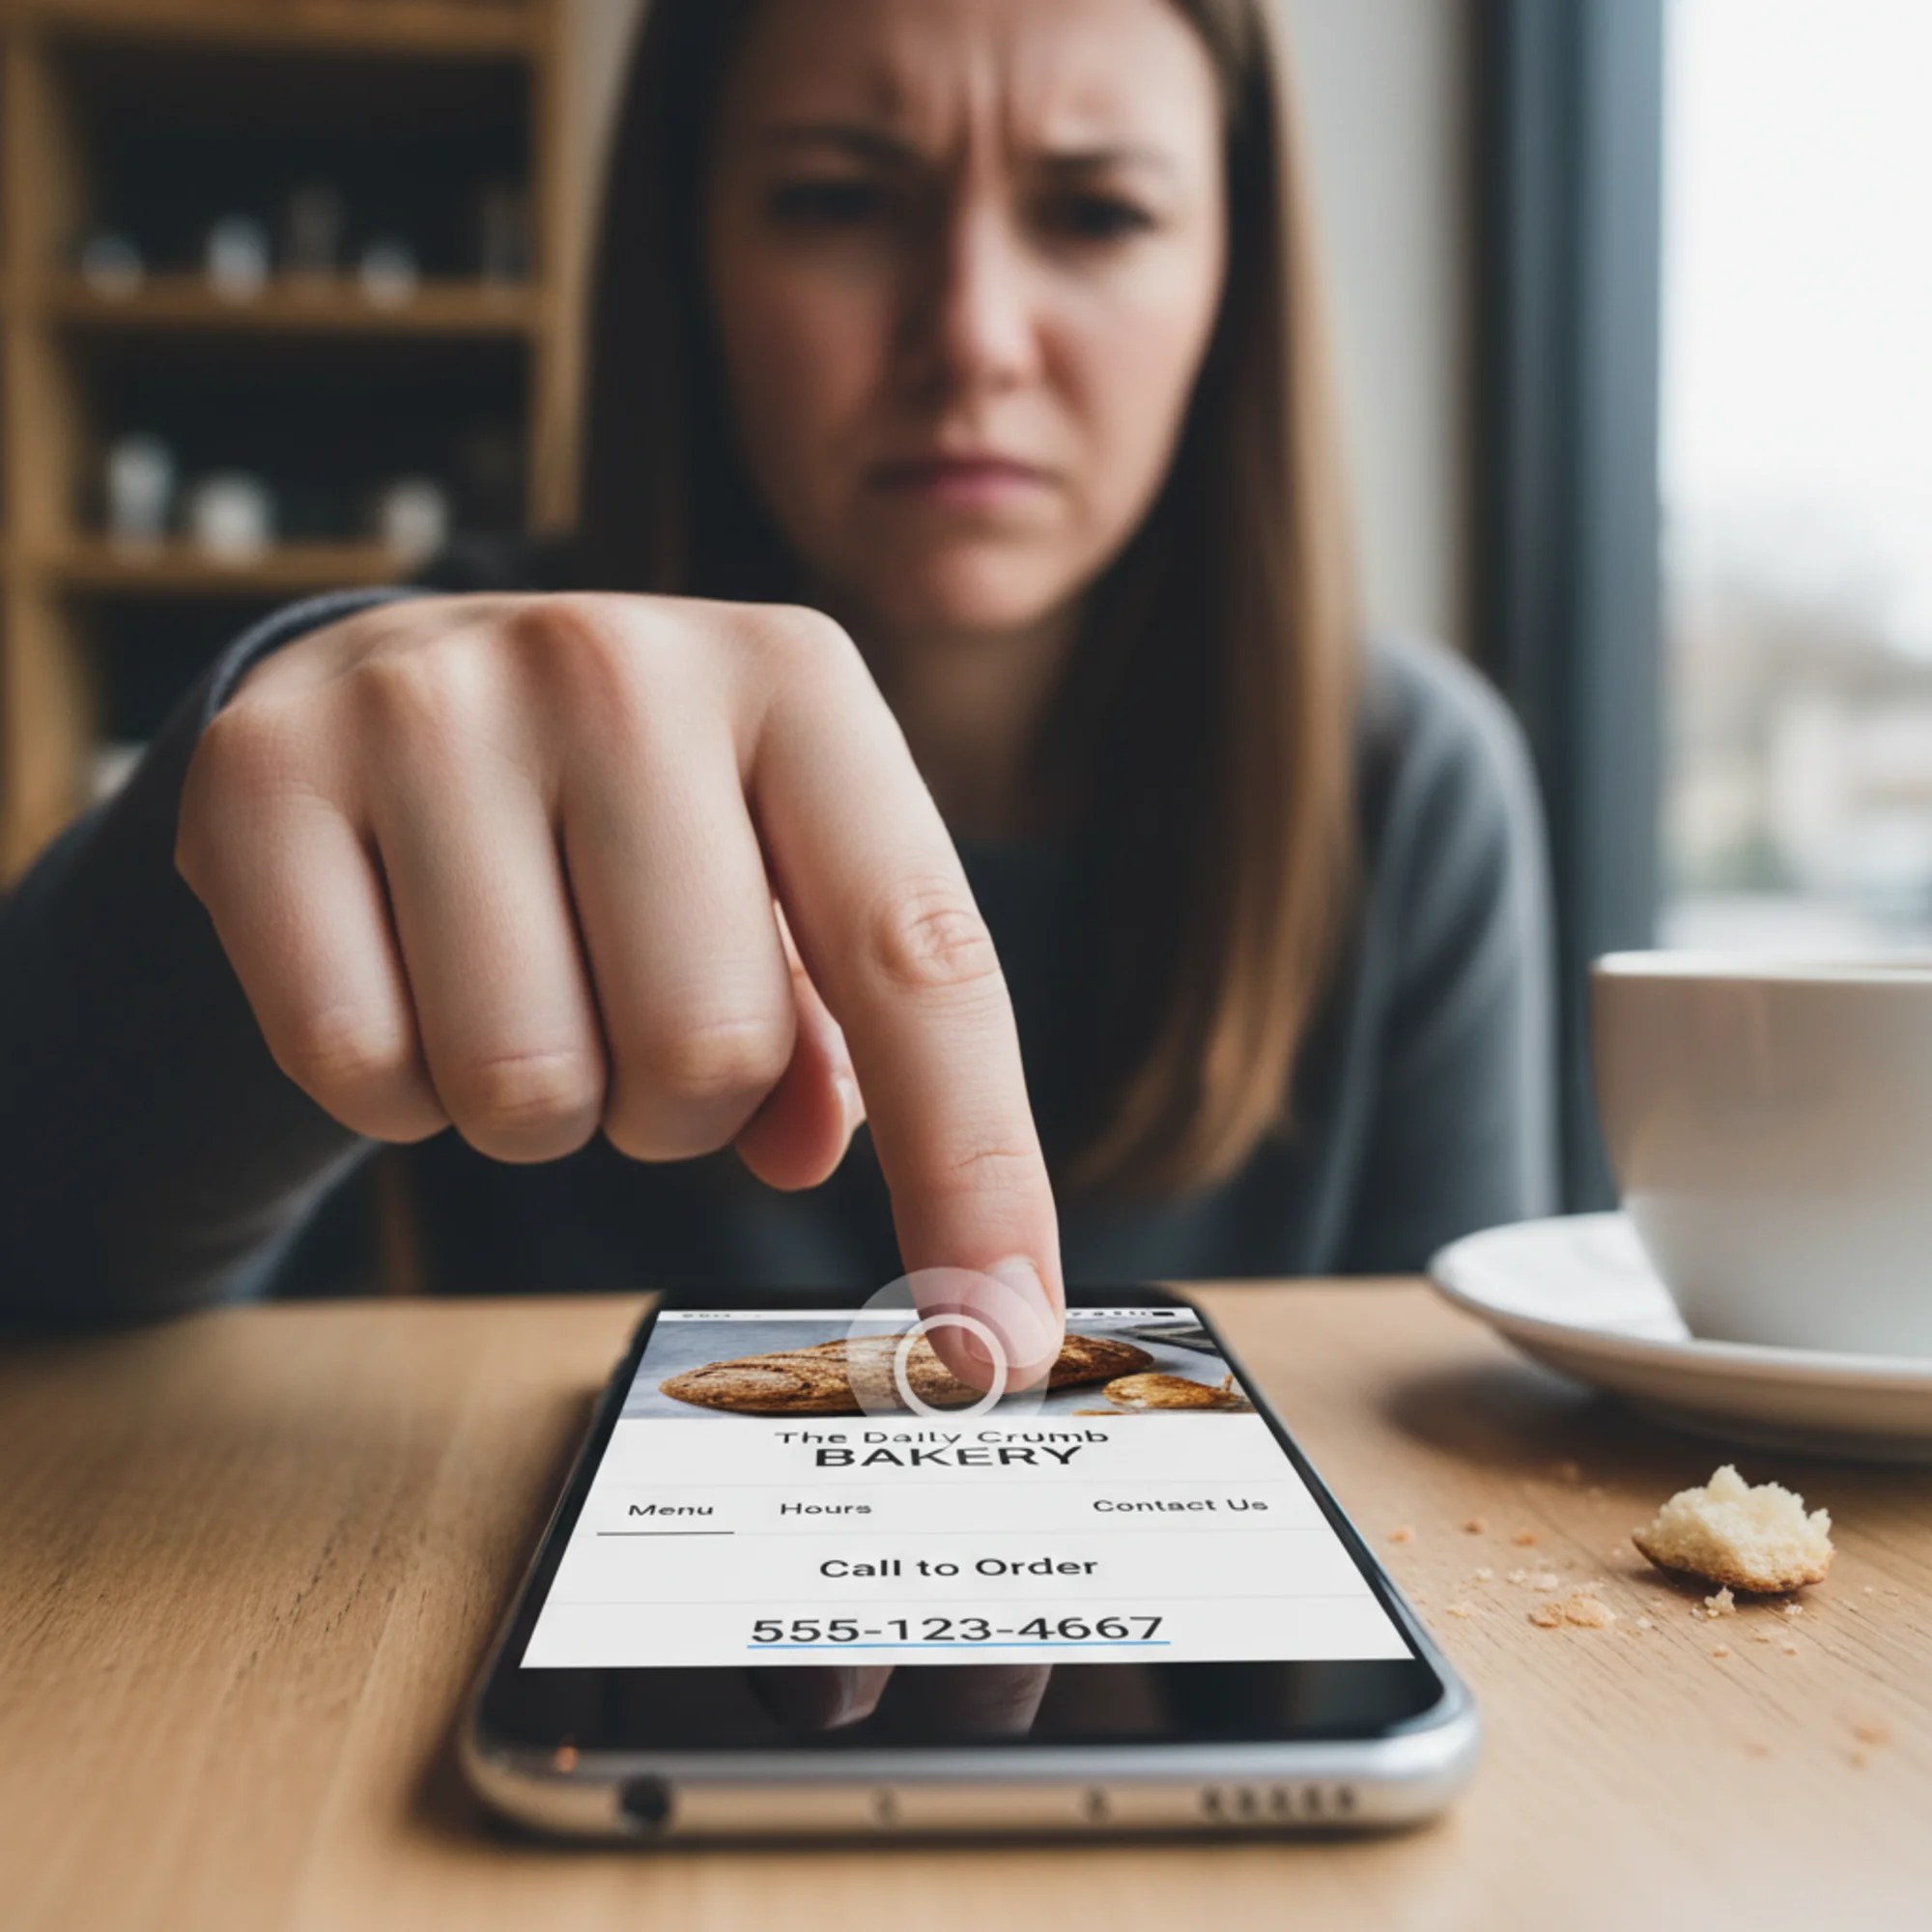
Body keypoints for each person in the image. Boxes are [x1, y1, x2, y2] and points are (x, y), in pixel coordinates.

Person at [0, 0, 1553, 1386]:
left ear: (1232, 274)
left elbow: (1449, 1438)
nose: (973, 338)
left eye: (1096, 212)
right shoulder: (449, 723)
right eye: (838, 199)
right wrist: (250, 811)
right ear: (690, 253)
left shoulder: (1410, 786)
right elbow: (48, 1259)